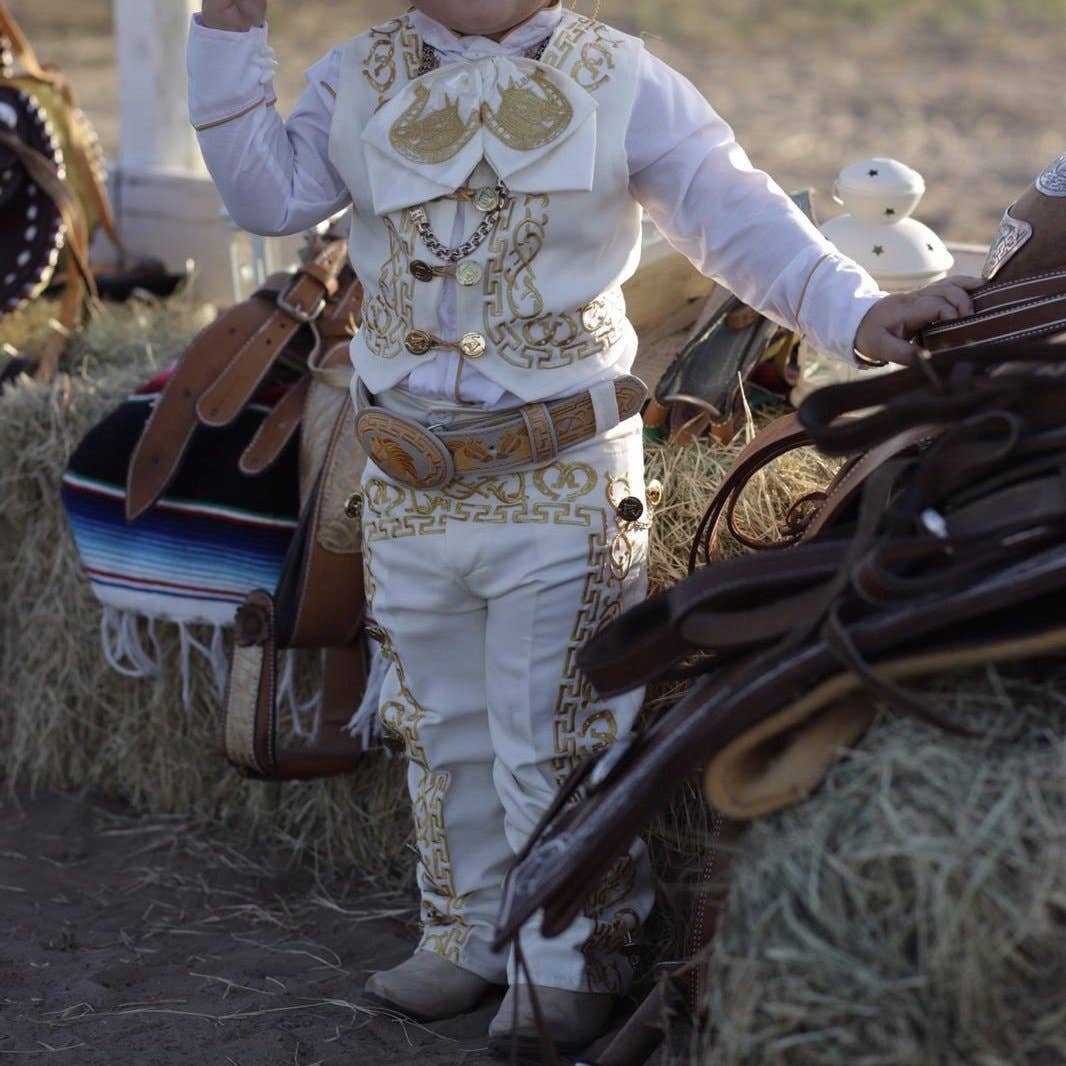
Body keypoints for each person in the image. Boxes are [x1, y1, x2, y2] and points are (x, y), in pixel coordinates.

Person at [189, 0, 980, 1052]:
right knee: (436, 716)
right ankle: (464, 931)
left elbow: (733, 213)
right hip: (408, 470)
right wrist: (228, 26)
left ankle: (564, 958)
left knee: (555, 726)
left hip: (555, 470)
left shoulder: (620, 78)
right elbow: (266, 194)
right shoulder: (356, 71)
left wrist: (857, 312)